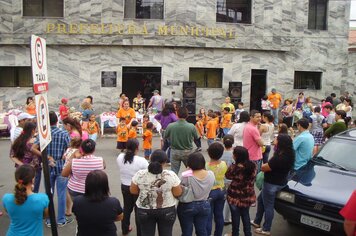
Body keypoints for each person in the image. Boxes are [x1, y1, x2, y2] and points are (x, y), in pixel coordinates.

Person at [32, 111, 72, 227]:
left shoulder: (43, 134)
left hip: (47, 165)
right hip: (61, 165)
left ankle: (49, 219)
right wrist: (64, 155)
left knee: (49, 193)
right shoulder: (63, 134)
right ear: (57, 121)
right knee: (61, 193)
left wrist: (45, 156)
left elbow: (33, 148)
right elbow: (70, 149)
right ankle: (60, 219)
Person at [251, 134, 295, 235]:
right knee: (260, 199)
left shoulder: (279, 158)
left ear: (281, 142)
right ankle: (257, 221)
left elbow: (264, 168)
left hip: (272, 184)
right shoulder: (290, 153)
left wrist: (263, 165)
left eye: (276, 138)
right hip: (281, 182)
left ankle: (266, 229)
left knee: (268, 206)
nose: (274, 139)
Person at [130, 150, 182, 236]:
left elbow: (133, 191)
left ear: (150, 159)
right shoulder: (171, 175)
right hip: (167, 209)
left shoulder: (140, 174)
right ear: (165, 162)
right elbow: (177, 193)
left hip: (144, 209)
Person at [72, 170, 123, 236]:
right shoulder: (113, 202)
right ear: (105, 185)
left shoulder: (77, 201)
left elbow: (77, 216)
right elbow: (120, 217)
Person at [2, 165, 49, 236]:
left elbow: (8, 212)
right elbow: (45, 215)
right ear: (32, 180)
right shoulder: (42, 199)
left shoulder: (6, 198)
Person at [177, 152, 215, 236]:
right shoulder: (210, 174)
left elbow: (177, 190)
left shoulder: (185, 176)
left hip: (187, 205)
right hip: (205, 204)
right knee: (202, 230)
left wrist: (187, 171)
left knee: (187, 231)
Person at [117, 139, 148, 236]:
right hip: (137, 187)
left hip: (125, 186)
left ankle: (125, 229)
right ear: (137, 148)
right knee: (138, 209)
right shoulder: (141, 161)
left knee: (127, 208)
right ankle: (140, 233)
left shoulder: (120, 157)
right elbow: (148, 172)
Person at [226, 146, 257, 236]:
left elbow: (227, 176)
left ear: (237, 156)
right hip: (247, 196)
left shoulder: (234, 168)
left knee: (235, 218)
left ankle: (235, 234)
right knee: (245, 215)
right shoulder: (253, 166)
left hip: (234, 197)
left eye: (234, 154)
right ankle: (248, 233)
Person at [164, 107, 198, 174]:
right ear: (187, 115)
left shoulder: (171, 126)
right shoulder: (191, 126)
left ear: (177, 114)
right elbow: (196, 137)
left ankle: (175, 184)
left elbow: (165, 136)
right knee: (191, 170)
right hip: (188, 151)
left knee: (174, 172)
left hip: (174, 151)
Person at [10, 122, 42, 193]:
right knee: (33, 190)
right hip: (34, 169)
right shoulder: (34, 141)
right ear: (33, 130)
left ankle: (21, 201)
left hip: (21, 169)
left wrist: (21, 164)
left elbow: (12, 155)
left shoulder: (18, 141)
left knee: (21, 188)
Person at [206, 142, 227, 236]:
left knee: (208, 217)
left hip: (210, 192)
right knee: (219, 215)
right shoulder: (224, 164)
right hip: (221, 190)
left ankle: (208, 233)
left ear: (209, 153)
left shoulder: (206, 165)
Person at [220, 135, 234, 225]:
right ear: (233, 143)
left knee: (220, 198)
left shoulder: (219, 153)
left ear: (223, 142)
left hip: (220, 179)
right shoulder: (234, 154)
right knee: (228, 199)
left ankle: (218, 215)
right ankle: (226, 218)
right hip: (230, 180)